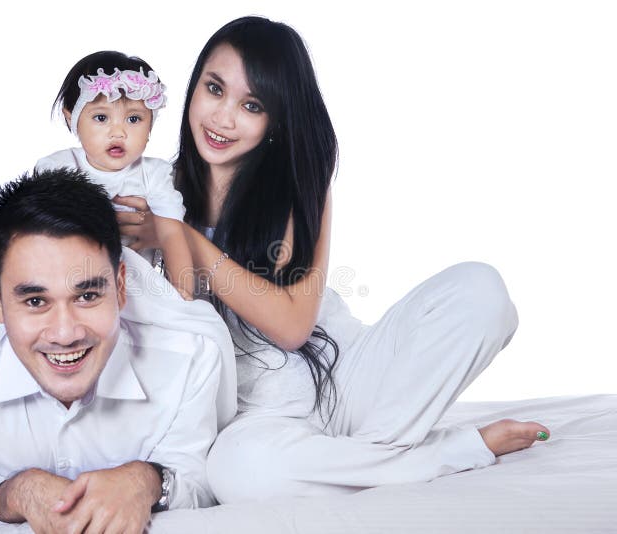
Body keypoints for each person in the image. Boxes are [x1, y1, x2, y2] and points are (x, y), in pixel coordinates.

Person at [112, 16, 551, 504]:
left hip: (346, 377)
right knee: (237, 474)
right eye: (214, 89)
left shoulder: (298, 185)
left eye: (251, 105)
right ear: (194, 86)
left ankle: (349, 462)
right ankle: (440, 455)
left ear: (275, 121)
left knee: (482, 291)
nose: (223, 118)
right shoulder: (153, 191)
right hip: (254, 418)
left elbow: (294, 325)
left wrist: (188, 242)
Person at [0, 168, 227, 532]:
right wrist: (18, 492)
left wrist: (145, 480)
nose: (65, 333)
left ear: (121, 286)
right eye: (35, 301)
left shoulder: (190, 360)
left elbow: (202, 486)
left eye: (88, 296)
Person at [35, 50, 194, 300]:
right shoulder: (59, 168)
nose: (118, 132)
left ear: (151, 124)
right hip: (67, 285)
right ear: (72, 119)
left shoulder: (154, 174)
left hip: (135, 290)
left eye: (133, 118)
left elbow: (171, 233)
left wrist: (182, 291)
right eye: (101, 118)